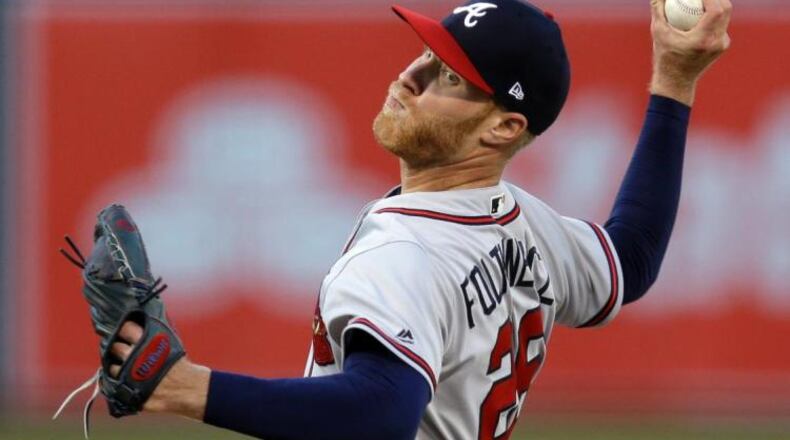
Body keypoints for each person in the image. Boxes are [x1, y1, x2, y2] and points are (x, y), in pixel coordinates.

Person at [105, 0, 732, 438]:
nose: (409, 78)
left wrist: (186, 387)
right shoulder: (521, 223)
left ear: (503, 127)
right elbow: (632, 259)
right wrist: (675, 82)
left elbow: (380, 413)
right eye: (425, 55)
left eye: (447, 76)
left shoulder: (404, 254)